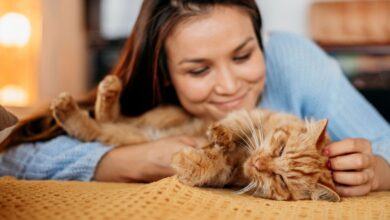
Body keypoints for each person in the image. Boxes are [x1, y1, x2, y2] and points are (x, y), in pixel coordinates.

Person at [1, 0, 389, 197]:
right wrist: (135, 161)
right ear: (164, 76)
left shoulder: (290, 58)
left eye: (243, 55)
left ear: (260, 41)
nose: (229, 86)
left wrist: (376, 170)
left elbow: (384, 144)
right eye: (198, 70)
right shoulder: (148, 99)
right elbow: (13, 157)